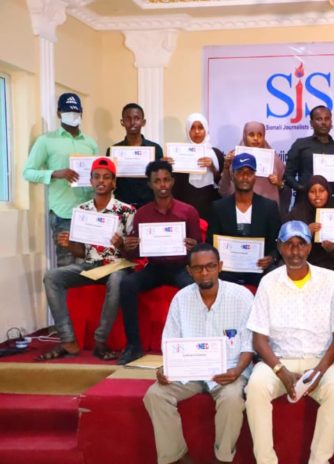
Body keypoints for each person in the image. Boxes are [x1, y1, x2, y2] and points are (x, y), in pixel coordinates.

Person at [245, 220, 334, 464]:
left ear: (310, 247)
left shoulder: (330, 279)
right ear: (279, 247)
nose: (295, 251)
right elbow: (259, 340)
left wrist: (320, 371)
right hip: (279, 360)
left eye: (301, 244)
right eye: (289, 245)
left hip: (323, 359)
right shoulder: (269, 282)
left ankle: (319, 461)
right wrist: (280, 371)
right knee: (255, 387)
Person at [143, 243, 254, 464]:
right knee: (155, 395)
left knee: (232, 399)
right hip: (190, 372)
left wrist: (237, 371)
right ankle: (176, 456)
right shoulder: (181, 299)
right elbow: (170, 340)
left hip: (229, 369)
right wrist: (168, 369)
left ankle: (222, 458)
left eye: (210, 266)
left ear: (220, 266)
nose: (204, 272)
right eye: (198, 268)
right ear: (189, 270)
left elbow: (249, 343)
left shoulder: (241, 296)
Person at [37, 157, 135, 361]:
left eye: (106, 177)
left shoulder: (126, 211)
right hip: (91, 266)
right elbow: (81, 251)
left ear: (114, 182)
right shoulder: (82, 211)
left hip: (117, 265)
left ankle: (100, 341)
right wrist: (69, 245)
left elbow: (134, 253)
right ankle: (67, 339)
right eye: (97, 177)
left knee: (117, 279)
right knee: (52, 276)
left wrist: (121, 245)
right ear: (90, 181)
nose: (101, 181)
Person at [118, 160, 201, 365]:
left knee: (192, 287)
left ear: (172, 181)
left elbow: (200, 246)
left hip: (182, 267)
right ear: (150, 184)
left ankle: (192, 345)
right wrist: (129, 247)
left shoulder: (188, 211)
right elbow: (136, 253)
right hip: (154, 267)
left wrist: (193, 246)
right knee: (127, 284)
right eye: (157, 181)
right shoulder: (142, 214)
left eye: (166, 180)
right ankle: (133, 346)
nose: (162, 185)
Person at [23, 92, 99, 266]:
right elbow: (28, 172)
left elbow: (98, 174)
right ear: (58, 113)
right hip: (62, 213)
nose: (73, 115)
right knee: (66, 267)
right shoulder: (46, 141)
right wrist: (54, 173)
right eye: (67, 111)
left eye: (76, 112)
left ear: (82, 113)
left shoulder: (90, 143)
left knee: (90, 264)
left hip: (88, 211)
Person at [206, 154, 281, 289]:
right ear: (233, 175)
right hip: (227, 272)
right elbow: (211, 243)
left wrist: (270, 258)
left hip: (259, 270)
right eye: (240, 172)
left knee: (274, 279)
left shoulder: (269, 207)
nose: (245, 177)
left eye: (249, 173)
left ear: (255, 177)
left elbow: (277, 244)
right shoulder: (218, 207)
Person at [286, 175, 334, 276]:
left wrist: (332, 250)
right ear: (307, 194)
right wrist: (305, 233)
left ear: (328, 193)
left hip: (330, 266)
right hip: (303, 264)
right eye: (312, 192)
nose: (317, 195)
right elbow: (286, 246)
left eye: (321, 191)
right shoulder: (296, 214)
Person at [283, 106, 334, 202]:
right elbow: (288, 175)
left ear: (331, 122)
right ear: (311, 123)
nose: (323, 123)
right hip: (304, 201)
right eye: (319, 119)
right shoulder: (300, 144)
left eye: (327, 119)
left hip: (330, 203)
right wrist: (301, 188)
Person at [107, 103, 164, 209]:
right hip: (122, 206)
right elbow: (109, 180)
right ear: (122, 122)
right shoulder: (113, 150)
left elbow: (161, 179)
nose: (132, 122)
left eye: (137, 118)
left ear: (143, 122)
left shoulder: (155, 149)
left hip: (149, 205)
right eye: (128, 119)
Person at [170, 113, 225, 222]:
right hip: (185, 207)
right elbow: (175, 185)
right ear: (187, 131)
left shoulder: (216, 154)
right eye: (192, 128)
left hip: (210, 207)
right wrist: (168, 165)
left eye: (200, 127)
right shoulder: (179, 153)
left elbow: (223, 185)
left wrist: (212, 167)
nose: (197, 132)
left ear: (206, 130)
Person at [219, 121, 286, 208]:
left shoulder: (274, 159)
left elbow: (284, 187)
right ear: (245, 136)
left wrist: (278, 183)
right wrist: (226, 166)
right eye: (251, 134)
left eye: (260, 135)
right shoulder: (234, 156)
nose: (256, 138)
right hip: (239, 207)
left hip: (267, 209)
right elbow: (223, 190)